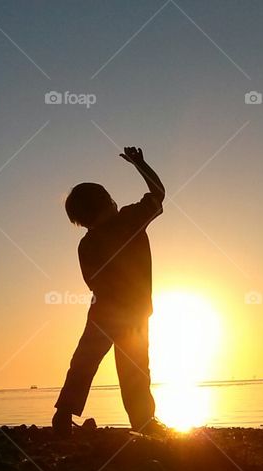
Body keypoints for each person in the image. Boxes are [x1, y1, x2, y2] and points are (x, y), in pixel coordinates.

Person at [53, 146, 170, 437]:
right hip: (132, 314)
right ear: (107, 202)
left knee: (83, 363)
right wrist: (140, 164)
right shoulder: (129, 220)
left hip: (104, 312)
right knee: (135, 370)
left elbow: (91, 281)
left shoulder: (87, 244)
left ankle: (64, 414)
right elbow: (158, 192)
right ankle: (143, 421)